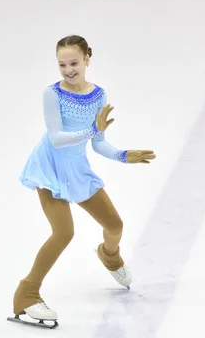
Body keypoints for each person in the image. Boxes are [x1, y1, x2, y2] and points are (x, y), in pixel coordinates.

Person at [10, 35, 156, 327]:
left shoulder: (98, 95)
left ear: (87, 58)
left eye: (74, 63)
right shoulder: (52, 94)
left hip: (76, 168)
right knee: (63, 233)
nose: (68, 70)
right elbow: (57, 138)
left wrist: (125, 155)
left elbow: (100, 143)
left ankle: (109, 256)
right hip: (50, 168)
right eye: (62, 64)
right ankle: (26, 294)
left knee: (115, 226)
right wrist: (92, 130)